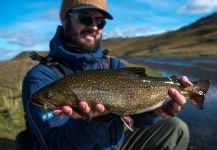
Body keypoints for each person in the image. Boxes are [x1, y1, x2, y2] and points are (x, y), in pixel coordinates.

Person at [21, 0, 192, 149]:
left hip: (114, 145)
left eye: (100, 22)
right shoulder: (41, 78)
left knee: (176, 128)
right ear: (64, 17)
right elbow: (53, 146)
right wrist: (92, 122)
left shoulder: (114, 66)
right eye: (85, 19)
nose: (94, 27)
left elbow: (138, 119)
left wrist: (157, 109)